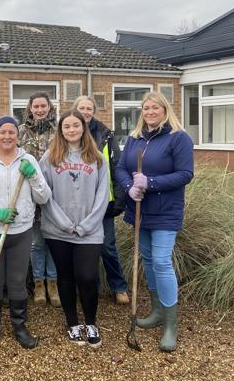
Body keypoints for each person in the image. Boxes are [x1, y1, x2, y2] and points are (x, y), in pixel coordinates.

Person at [115, 91, 194, 352]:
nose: (149, 112)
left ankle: (171, 324)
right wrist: (129, 187)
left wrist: (151, 183)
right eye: (146, 108)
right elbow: (121, 168)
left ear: (164, 110)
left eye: (155, 108)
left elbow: (185, 174)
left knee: (161, 261)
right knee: (148, 259)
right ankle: (157, 311)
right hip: (140, 210)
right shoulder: (135, 139)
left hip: (165, 210)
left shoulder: (177, 138)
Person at [0, 116, 51, 353]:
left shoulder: (28, 159)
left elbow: (44, 197)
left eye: (11, 132)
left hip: (20, 231)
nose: (7, 136)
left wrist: (33, 176)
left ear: (17, 135)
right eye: (3, 132)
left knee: (16, 281)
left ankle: (20, 326)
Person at [39, 110, 109, 348]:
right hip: (58, 229)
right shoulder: (50, 157)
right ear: (61, 130)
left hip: (89, 231)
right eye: (66, 126)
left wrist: (87, 224)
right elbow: (44, 194)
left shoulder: (97, 158)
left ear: (83, 128)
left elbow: (102, 196)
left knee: (87, 277)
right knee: (66, 277)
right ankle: (72, 322)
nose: (71, 130)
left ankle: (91, 322)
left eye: (75, 125)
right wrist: (64, 223)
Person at [73, 96, 129, 305]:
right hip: (79, 202)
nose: (86, 112)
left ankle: (119, 286)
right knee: (85, 248)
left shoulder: (105, 135)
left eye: (89, 108)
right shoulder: (70, 131)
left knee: (107, 246)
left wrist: (119, 199)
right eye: (82, 108)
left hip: (103, 202)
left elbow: (117, 166)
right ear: (75, 110)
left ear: (93, 111)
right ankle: (91, 287)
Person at [18, 92, 61, 308]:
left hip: (55, 192)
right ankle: (38, 283)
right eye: (36, 106)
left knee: (52, 240)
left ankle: (53, 283)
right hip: (30, 193)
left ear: (49, 107)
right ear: (30, 108)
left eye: (43, 106)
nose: (40, 109)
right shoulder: (22, 131)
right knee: (36, 242)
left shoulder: (59, 130)